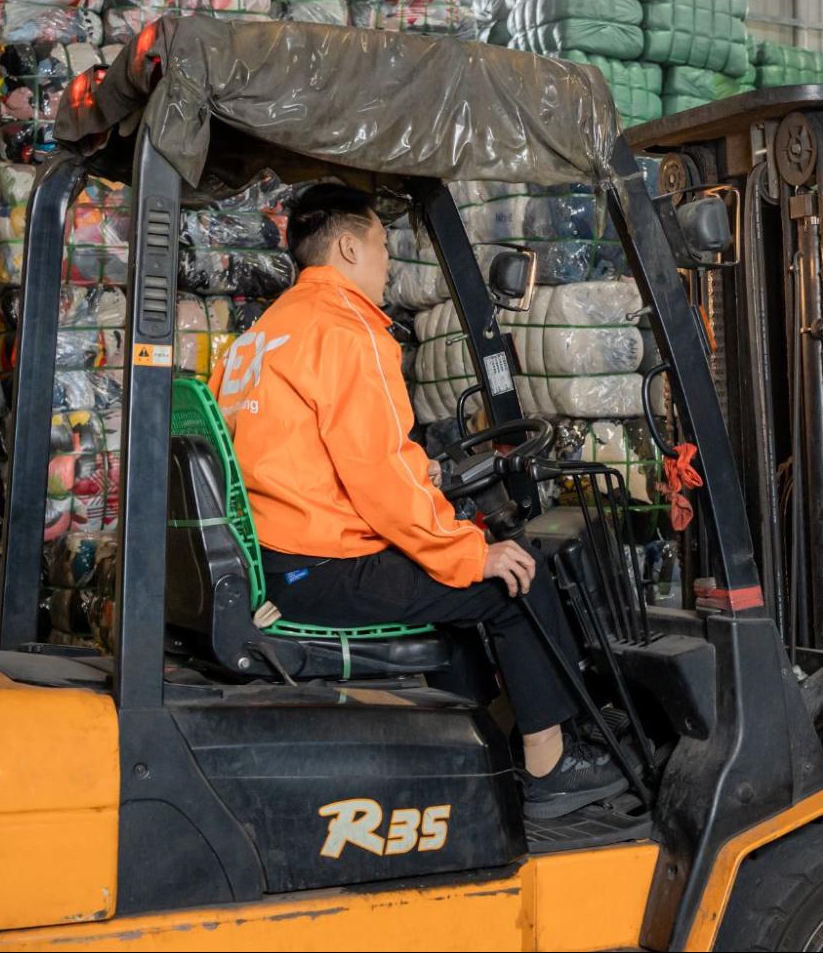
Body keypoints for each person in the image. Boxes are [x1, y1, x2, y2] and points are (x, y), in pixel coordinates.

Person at [211, 181, 623, 819]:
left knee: (458, 588)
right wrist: (467, 552)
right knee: (515, 578)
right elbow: (377, 475)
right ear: (348, 247)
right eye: (381, 249)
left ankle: (475, 747)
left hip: (278, 560)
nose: (387, 268)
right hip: (323, 567)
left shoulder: (261, 336)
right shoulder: (348, 330)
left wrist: (421, 473)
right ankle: (547, 765)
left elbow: (301, 452)